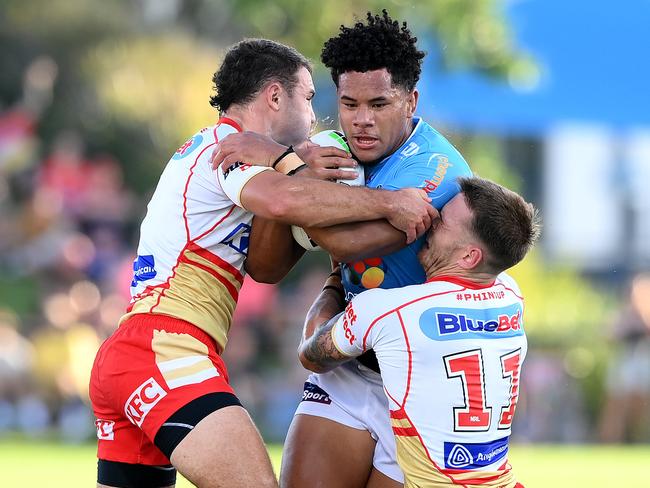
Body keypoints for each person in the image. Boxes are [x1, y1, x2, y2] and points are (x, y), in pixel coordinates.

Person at [89, 38, 436, 488]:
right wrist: (390, 202)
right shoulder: (235, 147)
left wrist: (294, 166)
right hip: (164, 349)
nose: (315, 116)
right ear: (275, 96)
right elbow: (281, 198)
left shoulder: (224, 149)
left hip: (138, 352)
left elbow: (266, 266)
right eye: (309, 98)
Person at [211, 11, 473, 487]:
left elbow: (346, 242)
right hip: (348, 371)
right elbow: (266, 267)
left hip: (419, 384)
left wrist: (284, 168)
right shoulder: (326, 150)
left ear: (411, 100)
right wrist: (294, 183)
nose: (362, 121)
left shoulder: (436, 169)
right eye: (349, 104)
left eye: (379, 103)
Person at [298, 177, 540, 488]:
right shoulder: (511, 296)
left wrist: (338, 274)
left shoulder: (390, 310)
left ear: (469, 256)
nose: (430, 221)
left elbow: (311, 353)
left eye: (443, 222)